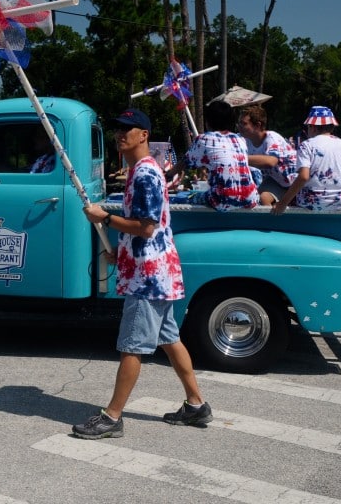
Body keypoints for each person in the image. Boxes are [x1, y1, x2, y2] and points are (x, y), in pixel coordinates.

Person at [73, 108, 211, 440]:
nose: (121, 134)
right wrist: (120, 250)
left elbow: (147, 228)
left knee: (132, 345)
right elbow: (148, 229)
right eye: (118, 128)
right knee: (169, 339)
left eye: (128, 129)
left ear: (144, 135)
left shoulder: (145, 174)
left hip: (148, 277)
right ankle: (196, 405)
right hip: (155, 271)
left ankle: (112, 416)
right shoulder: (143, 170)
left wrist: (103, 217)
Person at [272, 106, 341, 214]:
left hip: (310, 204)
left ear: (312, 127)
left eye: (308, 127)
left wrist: (282, 203)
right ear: (331, 127)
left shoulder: (306, 145)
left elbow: (303, 177)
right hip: (338, 204)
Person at [168, 99, 259, 211]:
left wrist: (168, 175)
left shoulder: (204, 139)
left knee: (182, 197)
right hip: (251, 199)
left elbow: (184, 163)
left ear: (208, 122)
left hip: (221, 200)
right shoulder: (240, 139)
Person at [237, 105, 298, 205]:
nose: (239, 126)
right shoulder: (244, 140)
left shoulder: (271, 138)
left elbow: (271, 161)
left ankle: (274, 220)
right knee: (256, 197)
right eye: (239, 122)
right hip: (276, 180)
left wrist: (239, 158)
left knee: (264, 198)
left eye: (244, 123)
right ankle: (270, 220)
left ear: (257, 125)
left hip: (296, 181)